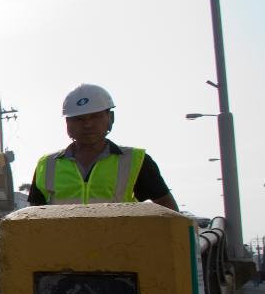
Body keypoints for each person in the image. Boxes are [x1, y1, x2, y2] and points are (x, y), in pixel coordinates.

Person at [27, 84, 178, 210]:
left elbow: (169, 212)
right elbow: (32, 218)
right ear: (68, 124)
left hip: (119, 245)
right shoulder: (47, 165)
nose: (87, 124)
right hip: (63, 246)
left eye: (95, 116)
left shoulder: (135, 161)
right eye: (79, 119)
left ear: (110, 118)